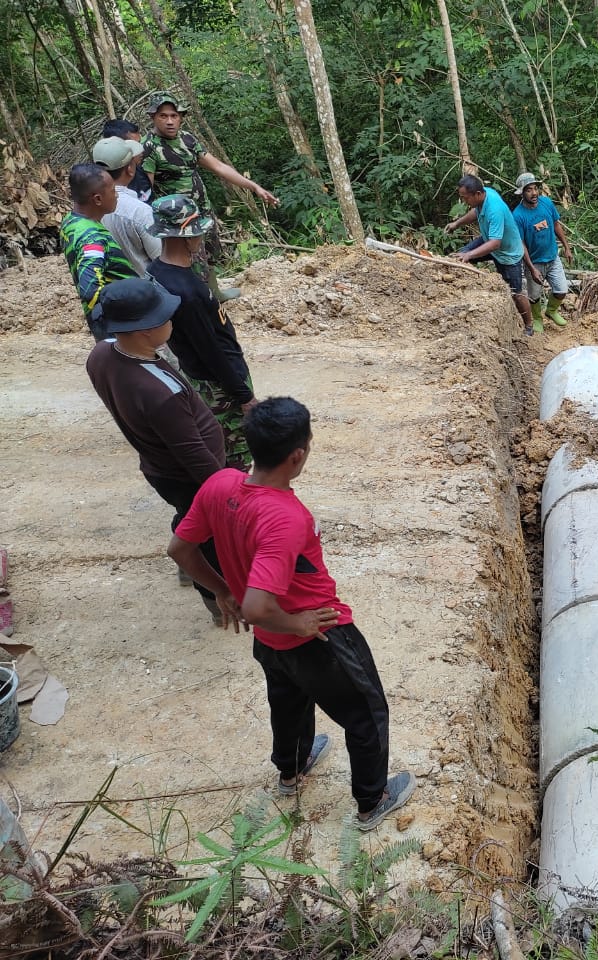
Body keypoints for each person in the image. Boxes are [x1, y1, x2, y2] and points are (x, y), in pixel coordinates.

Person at [167, 397, 416, 831]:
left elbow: (180, 549)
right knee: (366, 712)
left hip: (270, 642)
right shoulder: (284, 517)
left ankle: (292, 769)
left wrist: (222, 588)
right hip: (316, 633)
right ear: (297, 454)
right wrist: (297, 621)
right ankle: (371, 802)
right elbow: (258, 607)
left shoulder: (220, 484)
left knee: (288, 699)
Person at [84, 278, 227, 622]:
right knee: (210, 534)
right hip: (188, 475)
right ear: (146, 330)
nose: (172, 322)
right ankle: (216, 598)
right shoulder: (160, 392)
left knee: (188, 515)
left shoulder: (102, 353)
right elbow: (192, 452)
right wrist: (225, 491)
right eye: (166, 317)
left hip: (159, 467)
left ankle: (188, 560)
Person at [147, 195, 257, 471]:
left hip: (198, 375)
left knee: (218, 446)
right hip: (219, 383)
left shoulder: (157, 272)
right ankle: (231, 508)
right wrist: (243, 396)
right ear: (185, 237)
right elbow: (210, 351)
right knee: (236, 456)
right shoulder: (187, 291)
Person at [141, 91, 280, 300]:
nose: (170, 121)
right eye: (163, 116)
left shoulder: (187, 139)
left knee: (210, 251)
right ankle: (194, 300)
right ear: (153, 117)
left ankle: (214, 293)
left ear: (181, 117)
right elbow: (146, 187)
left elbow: (219, 167)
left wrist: (254, 187)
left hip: (201, 208)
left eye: (174, 116)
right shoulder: (149, 147)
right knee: (186, 259)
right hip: (177, 219)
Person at [445, 174, 538, 335]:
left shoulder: (494, 209)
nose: (464, 201)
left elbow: (496, 243)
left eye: (465, 198)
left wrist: (470, 255)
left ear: (477, 194)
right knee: (459, 257)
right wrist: (456, 223)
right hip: (488, 240)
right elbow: (476, 212)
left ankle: (529, 326)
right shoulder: (484, 195)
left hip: (507, 254)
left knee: (516, 293)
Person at [60, 163, 136, 339]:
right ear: (97, 199)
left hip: (104, 323)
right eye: (112, 190)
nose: (116, 194)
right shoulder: (92, 239)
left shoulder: (70, 221)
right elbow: (90, 289)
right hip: (118, 327)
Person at [511, 172, 573, 331]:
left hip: (553, 257)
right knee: (534, 296)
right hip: (535, 262)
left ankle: (551, 311)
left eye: (535, 188)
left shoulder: (546, 203)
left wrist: (566, 247)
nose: (534, 193)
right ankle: (537, 318)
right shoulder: (518, 216)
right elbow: (521, 243)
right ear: (522, 193)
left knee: (561, 290)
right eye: (529, 190)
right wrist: (531, 269)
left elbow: (556, 225)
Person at [94, 136, 162, 276]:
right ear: (130, 169)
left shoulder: (88, 206)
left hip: (109, 291)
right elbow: (161, 259)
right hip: (147, 289)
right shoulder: (140, 211)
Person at [101, 117, 152, 201]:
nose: (141, 149)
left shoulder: (139, 168)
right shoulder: (103, 183)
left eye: (139, 143)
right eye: (135, 145)